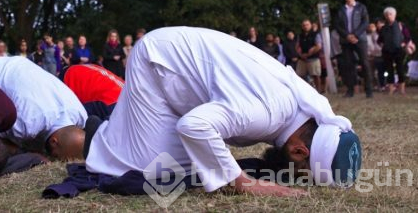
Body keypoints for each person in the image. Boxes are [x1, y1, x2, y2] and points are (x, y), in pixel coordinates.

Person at [86, 27, 361, 196]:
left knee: (190, 166)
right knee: (155, 172)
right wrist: (243, 183)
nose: (297, 178)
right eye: (303, 173)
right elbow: (194, 126)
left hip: (175, 64)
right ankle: (85, 133)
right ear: (300, 151)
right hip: (157, 62)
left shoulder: (295, 109)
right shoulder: (268, 114)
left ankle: (116, 125)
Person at [0, 57, 88, 159]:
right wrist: (23, 153)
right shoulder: (27, 123)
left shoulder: (81, 114)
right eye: (55, 156)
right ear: (54, 142)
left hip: (21, 64)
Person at [334, 0, 373, 98]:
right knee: (348, 65)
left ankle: (369, 91)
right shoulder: (341, 9)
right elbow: (337, 25)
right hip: (345, 41)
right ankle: (350, 90)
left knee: (365, 64)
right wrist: (347, 36)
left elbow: (365, 22)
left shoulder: (361, 8)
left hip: (360, 40)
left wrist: (355, 35)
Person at [378, 7, 412, 95]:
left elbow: (407, 37)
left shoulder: (401, 25)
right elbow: (379, 40)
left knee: (400, 69)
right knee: (389, 71)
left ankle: (402, 89)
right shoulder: (383, 28)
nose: (389, 16)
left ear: (394, 15)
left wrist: (403, 44)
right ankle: (391, 89)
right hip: (387, 51)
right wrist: (382, 45)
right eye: (387, 15)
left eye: (390, 14)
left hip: (398, 51)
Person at [295, 19, 323, 93]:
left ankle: (318, 92)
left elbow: (319, 46)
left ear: (311, 25)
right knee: (300, 76)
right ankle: (303, 92)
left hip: (313, 58)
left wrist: (308, 54)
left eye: (307, 24)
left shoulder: (316, 34)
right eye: (304, 25)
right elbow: (297, 46)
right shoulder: (300, 35)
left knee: (315, 76)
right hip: (302, 59)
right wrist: (300, 54)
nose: (305, 26)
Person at [366, 22, 385, 91]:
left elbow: (379, 45)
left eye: (373, 26)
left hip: (379, 55)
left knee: (380, 71)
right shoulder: (367, 37)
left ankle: (382, 85)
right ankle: (373, 86)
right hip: (370, 56)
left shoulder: (378, 35)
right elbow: (368, 47)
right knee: (371, 72)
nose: (371, 28)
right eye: (370, 27)